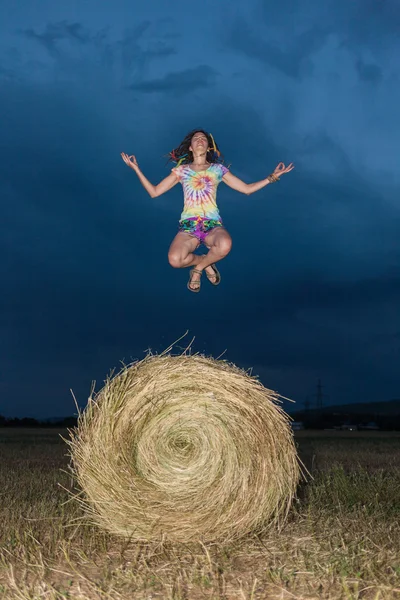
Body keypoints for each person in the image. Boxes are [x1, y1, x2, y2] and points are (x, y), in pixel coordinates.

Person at [121, 129, 294, 292]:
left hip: (212, 225)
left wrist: (272, 177)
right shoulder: (181, 171)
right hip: (188, 227)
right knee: (175, 260)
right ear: (190, 147)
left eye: (203, 138)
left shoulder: (217, 169)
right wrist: (136, 169)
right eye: (196, 138)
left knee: (225, 244)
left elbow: (246, 189)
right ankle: (206, 261)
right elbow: (154, 192)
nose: (200, 140)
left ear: (208, 146)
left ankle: (198, 269)